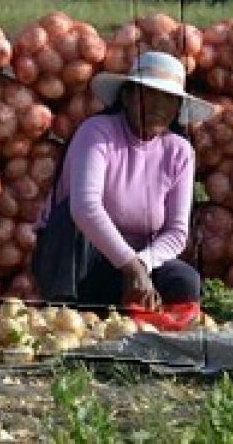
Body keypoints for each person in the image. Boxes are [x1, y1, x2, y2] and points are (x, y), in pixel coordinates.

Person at [35, 51, 214, 311]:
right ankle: (66, 314)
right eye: (148, 95)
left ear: (178, 109)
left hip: (139, 263)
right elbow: (85, 208)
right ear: (127, 96)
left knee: (184, 282)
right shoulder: (97, 132)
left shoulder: (180, 151)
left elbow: (176, 233)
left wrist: (141, 264)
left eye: (168, 99)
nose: (158, 107)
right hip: (82, 260)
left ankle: (148, 330)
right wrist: (129, 266)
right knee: (68, 220)